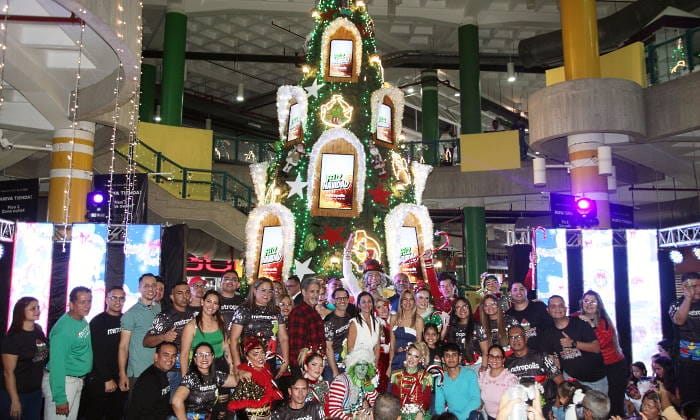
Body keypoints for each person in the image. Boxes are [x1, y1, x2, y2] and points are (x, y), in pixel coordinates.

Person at [179, 290, 231, 419]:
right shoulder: (191, 326)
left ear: (218, 306)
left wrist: (232, 366)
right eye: (208, 301)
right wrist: (186, 381)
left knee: (220, 410)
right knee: (201, 410)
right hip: (199, 370)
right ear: (202, 302)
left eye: (215, 303)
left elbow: (226, 346)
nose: (211, 306)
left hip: (220, 367)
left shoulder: (221, 321)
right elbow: (184, 355)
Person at [574, 290, 627, 416]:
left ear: (599, 304)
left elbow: (601, 343)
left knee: (614, 401)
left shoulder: (604, 321)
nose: (589, 304)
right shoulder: (576, 317)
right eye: (586, 301)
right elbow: (560, 319)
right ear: (582, 303)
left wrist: (591, 324)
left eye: (593, 301)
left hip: (613, 366)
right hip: (593, 367)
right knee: (593, 403)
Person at [43, 286, 93, 420]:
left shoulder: (81, 319)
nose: (87, 305)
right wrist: (60, 398)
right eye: (82, 302)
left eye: (89, 301)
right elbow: (56, 365)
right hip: (64, 382)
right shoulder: (63, 330)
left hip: (76, 380)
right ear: (71, 304)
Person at [79, 286, 127, 420]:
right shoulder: (97, 322)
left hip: (120, 377)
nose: (118, 301)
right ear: (107, 300)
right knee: (94, 414)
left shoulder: (126, 320)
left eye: (121, 298)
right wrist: (106, 378)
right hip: (100, 379)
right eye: (114, 298)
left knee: (116, 414)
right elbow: (95, 353)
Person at [541, 295, 607, 392]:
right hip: (572, 381)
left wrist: (573, 343)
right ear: (548, 310)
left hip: (595, 381)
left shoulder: (580, 323)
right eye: (553, 306)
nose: (557, 308)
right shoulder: (548, 333)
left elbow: (596, 348)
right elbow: (551, 358)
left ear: (566, 308)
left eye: (560, 305)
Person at [229, 277, 289, 378]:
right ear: (254, 290)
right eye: (263, 290)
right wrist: (237, 364)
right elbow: (233, 339)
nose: (267, 294)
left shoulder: (276, 311)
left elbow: (283, 338)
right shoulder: (244, 310)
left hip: (270, 360)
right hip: (249, 359)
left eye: (270, 291)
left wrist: (285, 361)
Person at [144, 282, 195, 398]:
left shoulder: (195, 313)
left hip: (193, 367)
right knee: (172, 406)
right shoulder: (164, 317)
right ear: (172, 297)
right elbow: (146, 341)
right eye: (180, 293)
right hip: (173, 370)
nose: (185, 295)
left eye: (187, 292)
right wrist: (163, 337)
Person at [1, 297, 48, 420]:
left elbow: (41, 357)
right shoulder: (12, 339)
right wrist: (15, 400)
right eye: (33, 308)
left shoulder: (38, 331)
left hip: (35, 393)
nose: (37, 310)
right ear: (21, 311)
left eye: (38, 307)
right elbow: (8, 373)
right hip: (16, 394)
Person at [172, 342, 244, 420]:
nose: (204, 358)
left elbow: (238, 381)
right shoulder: (191, 378)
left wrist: (241, 371)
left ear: (213, 357)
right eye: (200, 355)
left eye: (208, 354)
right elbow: (176, 401)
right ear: (194, 359)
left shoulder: (216, 376)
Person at [119, 273, 161, 392]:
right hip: (138, 373)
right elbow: (123, 346)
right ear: (139, 288)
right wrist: (122, 374)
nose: (150, 288)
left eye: (153, 285)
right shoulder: (131, 314)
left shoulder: (158, 308)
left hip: (158, 369)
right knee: (137, 409)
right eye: (146, 285)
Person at [227, 336, 283, 419]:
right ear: (247, 357)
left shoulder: (267, 371)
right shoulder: (246, 375)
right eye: (255, 354)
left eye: (262, 352)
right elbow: (239, 409)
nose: (261, 357)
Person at [669, 271, 700, 404]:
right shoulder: (676, 304)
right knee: (691, 399)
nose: (698, 289)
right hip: (687, 360)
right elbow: (679, 320)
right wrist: (688, 299)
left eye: (699, 285)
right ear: (684, 287)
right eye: (694, 286)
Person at [126, 341, 178, 419]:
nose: (170, 359)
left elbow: (162, 406)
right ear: (156, 357)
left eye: (173, 356)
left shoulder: (161, 372)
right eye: (166, 355)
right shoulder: (149, 381)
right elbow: (142, 412)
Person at [325, 348, 379, 419]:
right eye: (359, 364)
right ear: (352, 366)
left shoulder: (364, 381)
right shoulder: (340, 383)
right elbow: (333, 412)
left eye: (365, 365)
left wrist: (371, 390)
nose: (363, 368)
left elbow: (378, 405)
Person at [434, 342, 481, 419]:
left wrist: (459, 418)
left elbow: (476, 400)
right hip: (451, 417)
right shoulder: (440, 379)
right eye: (447, 355)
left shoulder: (470, 375)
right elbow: (439, 406)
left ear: (459, 358)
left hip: (470, 416)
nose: (451, 358)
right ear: (443, 359)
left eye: (454, 355)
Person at [287, 277, 325, 370]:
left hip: (316, 364)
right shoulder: (299, 312)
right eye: (312, 291)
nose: (315, 295)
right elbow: (296, 345)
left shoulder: (314, 312)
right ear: (303, 292)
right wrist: (302, 366)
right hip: (304, 366)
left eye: (317, 291)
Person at [506, 281, 553, 352]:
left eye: (521, 289)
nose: (518, 292)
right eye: (515, 290)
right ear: (510, 293)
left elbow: (552, 328)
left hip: (543, 354)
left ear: (526, 291)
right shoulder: (508, 315)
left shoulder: (539, 307)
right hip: (521, 358)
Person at [390, 343, 432, 419]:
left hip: (419, 415)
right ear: (406, 355)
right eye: (410, 354)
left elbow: (426, 401)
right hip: (399, 414)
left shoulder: (426, 377)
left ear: (420, 359)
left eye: (416, 356)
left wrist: (420, 413)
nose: (411, 359)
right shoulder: (396, 375)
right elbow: (394, 399)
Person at [443, 297, 488, 368]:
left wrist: (484, 367)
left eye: (464, 306)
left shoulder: (477, 326)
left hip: (476, 365)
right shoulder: (452, 328)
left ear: (469, 308)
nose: (462, 309)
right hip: (458, 367)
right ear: (455, 311)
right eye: (458, 307)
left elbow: (485, 351)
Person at [479, 344, 519, 420]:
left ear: (503, 360)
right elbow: (480, 400)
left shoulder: (509, 379)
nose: (494, 360)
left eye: (498, 357)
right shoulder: (483, 376)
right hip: (490, 417)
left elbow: (515, 404)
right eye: (491, 356)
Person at [388, 290, 424, 374]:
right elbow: (392, 345)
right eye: (405, 299)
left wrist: (406, 349)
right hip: (396, 361)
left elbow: (419, 346)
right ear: (400, 302)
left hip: (411, 363)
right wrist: (390, 365)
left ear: (414, 302)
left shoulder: (418, 320)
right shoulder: (394, 318)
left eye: (411, 299)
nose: (408, 302)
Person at [324, 287, 352, 380]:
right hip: (332, 366)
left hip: (347, 364)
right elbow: (328, 348)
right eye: (339, 298)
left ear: (348, 300)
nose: (342, 301)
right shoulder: (329, 320)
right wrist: (335, 371)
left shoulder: (350, 317)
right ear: (333, 301)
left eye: (344, 298)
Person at [346, 291, 381, 363]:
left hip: (371, 364)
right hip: (356, 364)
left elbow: (377, 347)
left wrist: (375, 363)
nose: (367, 304)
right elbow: (350, 349)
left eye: (369, 301)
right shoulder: (354, 323)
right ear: (359, 305)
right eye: (363, 302)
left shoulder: (377, 322)